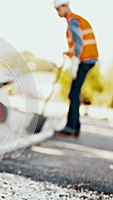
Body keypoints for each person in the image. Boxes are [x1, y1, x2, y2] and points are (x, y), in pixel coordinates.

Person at [53, 0, 98, 138]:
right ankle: (74, 127)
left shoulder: (73, 21)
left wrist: (75, 61)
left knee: (73, 93)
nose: (58, 12)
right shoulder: (76, 20)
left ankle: (71, 128)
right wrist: (69, 53)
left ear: (65, 6)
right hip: (88, 59)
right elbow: (77, 44)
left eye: (59, 9)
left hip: (85, 60)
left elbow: (79, 42)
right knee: (74, 92)